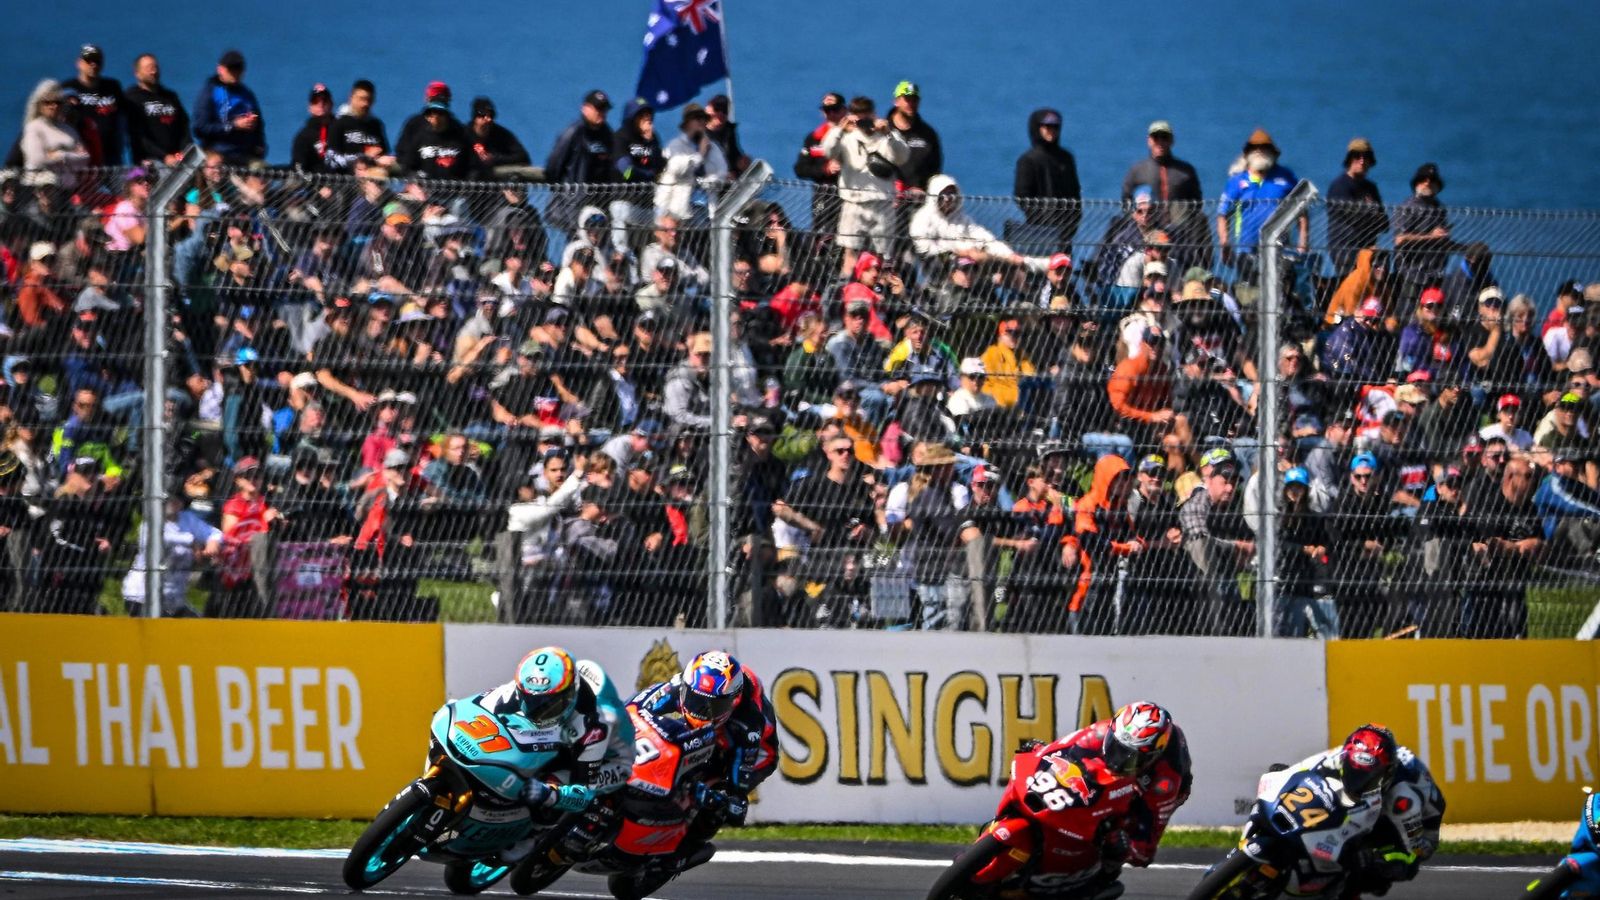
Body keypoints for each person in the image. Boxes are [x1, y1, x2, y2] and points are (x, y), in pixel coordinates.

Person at [467, 648, 635, 859]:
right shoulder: (535, 686)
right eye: (531, 700)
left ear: (569, 697)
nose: (536, 710)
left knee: (553, 782)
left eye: (548, 705)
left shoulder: (594, 725)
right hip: (570, 741)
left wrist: (548, 793)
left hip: (613, 763)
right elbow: (483, 705)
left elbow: (583, 793)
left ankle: (537, 833)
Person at [1014, 702, 1191, 880]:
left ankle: (1101, 877)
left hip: (1150, 787)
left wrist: (1127, 847)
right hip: (1137, 757)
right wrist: (1039, 751)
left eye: (1130, 757)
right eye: (1115, 746)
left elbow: (1145, 853)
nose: (1118, 759)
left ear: (1151, 757)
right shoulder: (1102, 731)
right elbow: (1065, 748)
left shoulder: (1164, 782)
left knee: (1120, 833)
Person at [820, 96, 908, 276]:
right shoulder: (846, 137)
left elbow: (902, 157)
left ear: (874, 114)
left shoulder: (886, 135)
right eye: (859, 118)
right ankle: (846, 286)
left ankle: (883, 288)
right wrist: (839, 129)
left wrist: (889, 134)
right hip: (853, 202)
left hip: (882, 202)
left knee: (884, 256)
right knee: (850, 254)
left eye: (867, 116)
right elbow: (827, 151)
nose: (864, 122)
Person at [1464, 457, 1543, 638]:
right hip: (1487, 586)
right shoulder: (1491, 505)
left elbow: (1542, 546)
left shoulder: (1530, 509)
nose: (1533, 481)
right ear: (1509, 478)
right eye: (1527, 476)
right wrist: (1522, 547)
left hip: (1517, 581)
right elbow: (1494, 545)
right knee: (1487, 636)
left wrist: (1518, 547)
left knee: (1518, 635)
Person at [1179, 449, 1253, 635]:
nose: (1230, 488)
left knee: (1238, 627)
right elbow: (1201, 541)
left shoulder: (1231, 506)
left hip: (1228, 578)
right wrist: (1236, 547)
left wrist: (1241, 549)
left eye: (1233, 483)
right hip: (1201, 581)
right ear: (1209, 479)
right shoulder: (1197, 504)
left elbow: (1251, 543)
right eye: (1225, 482)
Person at [1215, 128, 1306, 278]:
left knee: (1281, 287)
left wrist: (1303, 242)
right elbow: (1222, 213)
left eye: (1264, 147)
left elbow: (1301, 209)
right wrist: (1224, 243)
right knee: (1248, 289)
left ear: (1272, 152)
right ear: (1248, 153)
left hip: (1279, 247)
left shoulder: (1286, 177)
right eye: (1254, 148)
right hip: (1246, 247)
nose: (1259, 151)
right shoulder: (1237, 181)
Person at [1121, 120, 1207, 271]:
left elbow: (1196, 203)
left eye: (1164, 137)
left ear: (1171, 140)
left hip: (1180, 232)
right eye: (1156, 138)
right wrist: (1139, 220)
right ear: (1149, 141)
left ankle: (1200, 267)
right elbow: (1126, 200)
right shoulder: (1137, 171)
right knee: (1115, 224)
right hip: (1146, 230)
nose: (1160, 142)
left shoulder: (1186, 171)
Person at [1013, 107, 1082, 250]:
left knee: (1064, 263)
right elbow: (1021, 195)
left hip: (1065, 230)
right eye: (1047, 126)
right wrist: (1038, 217)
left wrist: (1073, 221)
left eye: (1055, 127)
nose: (1052, 130)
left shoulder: (1066, 158)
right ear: (1037, 128)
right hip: (1038, 230)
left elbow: (1075, 192)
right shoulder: (1028, 160)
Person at [544, 90, 616, 225]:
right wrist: (566, 193)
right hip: (572, 204)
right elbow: (553, 166)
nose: (601, 113)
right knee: (577, 237)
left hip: (599, 203)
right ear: (585, 108)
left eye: (604, 109)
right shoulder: (573, 132)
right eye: (598, 109)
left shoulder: (607, 134)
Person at [1392, 162, 1454, 308]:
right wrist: (1431, 237)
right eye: (1423, 179)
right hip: (1411, 274)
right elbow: (1400, 239)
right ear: (1416, 183)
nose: (1427, 183)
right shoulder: (1408, 207)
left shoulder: (1439, 208)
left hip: (1434, 274)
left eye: (1432, 180)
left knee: (1432, 314)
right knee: (1408, 313)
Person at [656, 103, 728, 222]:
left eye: (704, 119)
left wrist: (711, 181)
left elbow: (722, 171)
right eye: (697, 118)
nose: (701, 122)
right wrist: (700, 154)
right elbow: (677, 169)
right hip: (677, 210)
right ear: (687, 123)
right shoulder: (675, 145)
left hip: (706, 209)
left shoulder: (713, 148)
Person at [192, 49, 265, 164]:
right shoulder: (209, 92)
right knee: (215, 165)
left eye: (239, 69)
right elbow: (200, 128)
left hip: (244, 153)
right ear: (220, 69)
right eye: (231, 69)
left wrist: (259, 146)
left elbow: (259, 127)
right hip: (216, 152)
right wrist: (233, 125)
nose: (235, 73)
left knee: (259, 168)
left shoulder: (247, 94)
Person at [793, 91, 847, 239]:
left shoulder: (854, 135)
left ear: (844, 110)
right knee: (821, 236)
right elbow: (800, 169)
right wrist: (825, 169)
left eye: (835, 109)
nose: (831, 114)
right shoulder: (814, 138)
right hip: (823, 196)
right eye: (827, 110)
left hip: (849, 195)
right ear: (822, 112)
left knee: (848, 237)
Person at [20, 81, 90, 189]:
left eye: (58, 102)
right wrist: (72, 157)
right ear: (39, 105)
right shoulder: (34, 128)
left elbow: (84, 159)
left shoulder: (70, 130)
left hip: (68, 190)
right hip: (40, 190)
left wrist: (61, 155)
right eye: (47, 102)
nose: (53, 106)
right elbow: (37, 161)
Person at [63, 44, 125, 165]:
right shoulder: (68, 88)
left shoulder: (113, 87)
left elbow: (122, 117)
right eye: (89, 61)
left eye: (97, 61)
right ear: (79, 63)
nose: (93, 65)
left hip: (110, 155)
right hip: (80, 154)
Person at [124, 53, 189, 165]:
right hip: (149, 163)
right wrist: (164, 157)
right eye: (148, 68)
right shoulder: (132, 98)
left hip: (177, 160)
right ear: (137, 73)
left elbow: (184, 127)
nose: (153, 71)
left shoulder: (170, 97)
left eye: (155, 67)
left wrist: (183, 153)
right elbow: (137, 135)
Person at [886, 81, 941, 193]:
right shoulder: (884, 131)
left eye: (914, 100)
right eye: (907, 99)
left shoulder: (928, 134)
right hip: (887, 197)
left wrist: (925, 190)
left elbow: (935, 170)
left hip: (919, 198)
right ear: (896, 101)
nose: (911, 104)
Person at [329, 80, 393, 171]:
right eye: (361, 99)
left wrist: (387, 161)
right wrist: (365, 157)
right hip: (347, 176)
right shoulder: (339, 123)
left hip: (374, 175)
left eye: (369, 100)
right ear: (351, 98)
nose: (365, 104)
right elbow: (331, 159)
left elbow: (384, 155)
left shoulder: (376, 125)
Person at [466, 96, 532, 174]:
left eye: (491, 116)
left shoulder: (501, 134)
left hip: (494, 178)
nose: (488, 119)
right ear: (475, 118)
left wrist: (495, 159)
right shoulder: (463, 134)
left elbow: (523, 157)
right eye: (483, 115)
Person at [290, 83, 336, 174]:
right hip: (315, 181)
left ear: (331, 104)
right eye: (315, 101)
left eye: (324, 100)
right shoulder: (303, 137)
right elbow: (298, 168)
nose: (320, 104)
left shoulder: (341, 130)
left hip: (343, 180)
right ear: (309, 107)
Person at [704, 94, 749, 177]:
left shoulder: (729, 131)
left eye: (724, 112)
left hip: (731, 176)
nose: (720, 114)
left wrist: (741, 162)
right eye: (717, 110)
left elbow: (734, 154)